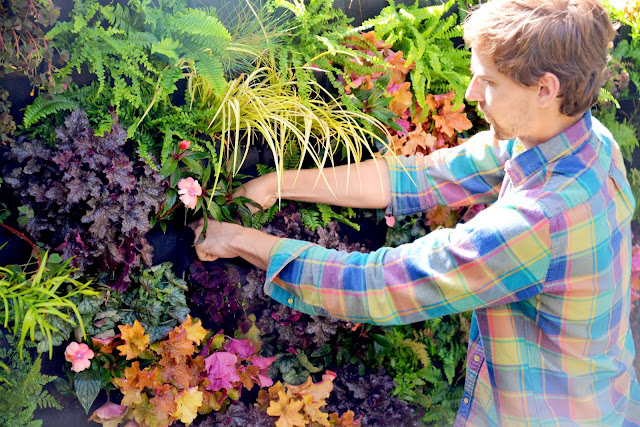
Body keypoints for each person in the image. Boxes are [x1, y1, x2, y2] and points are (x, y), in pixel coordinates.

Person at [192, 0, 640, 424]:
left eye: (489, 81)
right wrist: (278, 183)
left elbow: (375, 286)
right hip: (608, 398)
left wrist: (236, 239)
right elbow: (422, 177)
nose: (471, 93)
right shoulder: (584, 141)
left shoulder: (538, 220)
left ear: (545, 88)